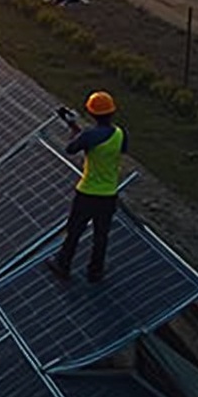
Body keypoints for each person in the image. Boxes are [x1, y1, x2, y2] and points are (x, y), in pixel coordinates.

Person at [48, 91, 127, 282]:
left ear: (92, 113)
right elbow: (109, 146)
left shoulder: (90, 135)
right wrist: (77, 128)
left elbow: (72, 148)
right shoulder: (120, 134)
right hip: (109, 194)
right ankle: (95, 271)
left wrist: (72, 125)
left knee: (74, 230)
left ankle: (63, 264)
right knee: (101, 235)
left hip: (87, 192)